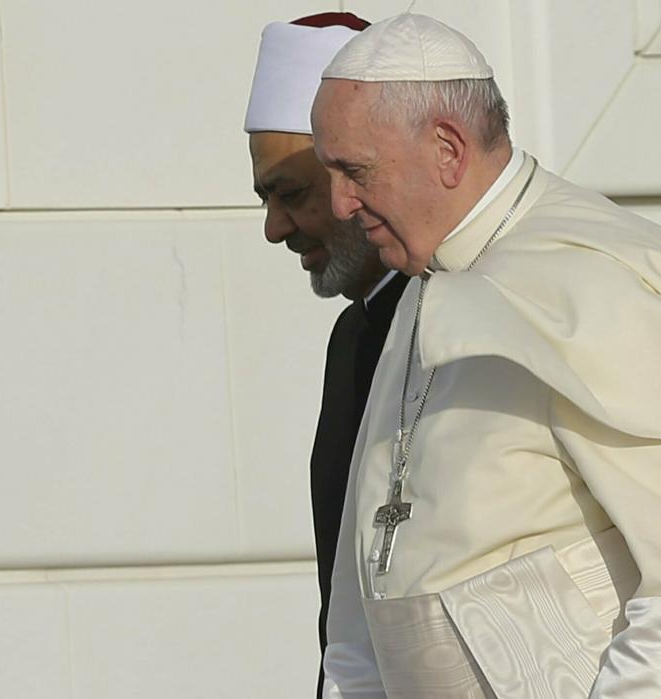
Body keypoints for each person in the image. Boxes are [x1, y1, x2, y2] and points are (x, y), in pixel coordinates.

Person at [311, 12, 661, 698]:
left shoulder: (599, 281)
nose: (341, 203)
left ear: (447, 149)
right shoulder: (422, 285)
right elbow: (359, 623)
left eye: (356, 171)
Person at [243, 13, 408, 697]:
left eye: (292, 195)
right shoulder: (352, 337)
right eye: (267, 199)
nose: (274, 228)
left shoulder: (470, 315)